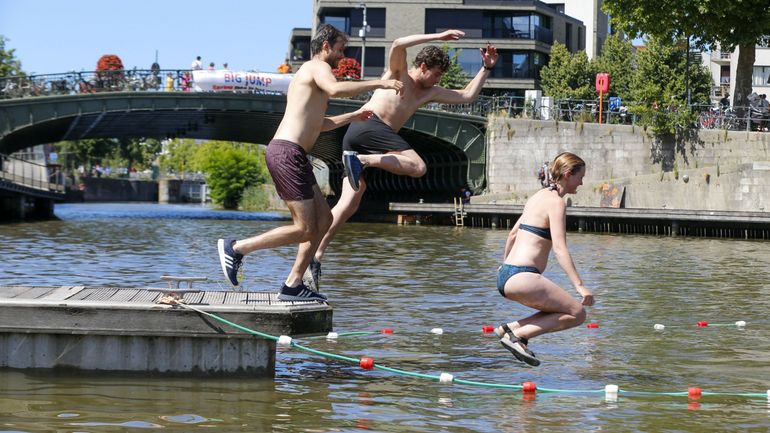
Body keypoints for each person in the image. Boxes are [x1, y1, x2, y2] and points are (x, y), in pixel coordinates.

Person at [216, 24, 403, 301]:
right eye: (340, 50)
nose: (342, 57)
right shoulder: (317, 68)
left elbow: (319, 123)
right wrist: (380, 83)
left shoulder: (311, 77)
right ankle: (237, 248)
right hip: (287, 153)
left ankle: (293, 285)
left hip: (294, 154)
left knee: (325, 219)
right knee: (304, 227)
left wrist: (353, 116)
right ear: (326, 46)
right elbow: (336, 88)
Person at [310, 30, 498, 284]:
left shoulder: (429, 92)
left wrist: (485, 68)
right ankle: (362, 161)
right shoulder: (398, 73)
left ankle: (315, 256)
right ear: (422, 66)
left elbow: (467, 96)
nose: (437, 80)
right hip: (369, 125)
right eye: (436, 74)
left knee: (347, 206)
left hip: (361, 140)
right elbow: (398, 43)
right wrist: (439, 36)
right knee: (418, 166)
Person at [494, 152, 595, 366]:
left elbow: (513, 234)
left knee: (558, 309)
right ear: (568, 175)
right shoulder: (556, 203)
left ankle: (510, 328)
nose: (582, 182)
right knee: (577, 313)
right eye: (580, 177)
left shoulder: (537, 197)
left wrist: (504, 264)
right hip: (523, 276)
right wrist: (580, 286)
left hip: (505, 276)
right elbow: (559, 248)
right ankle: (518, 337)